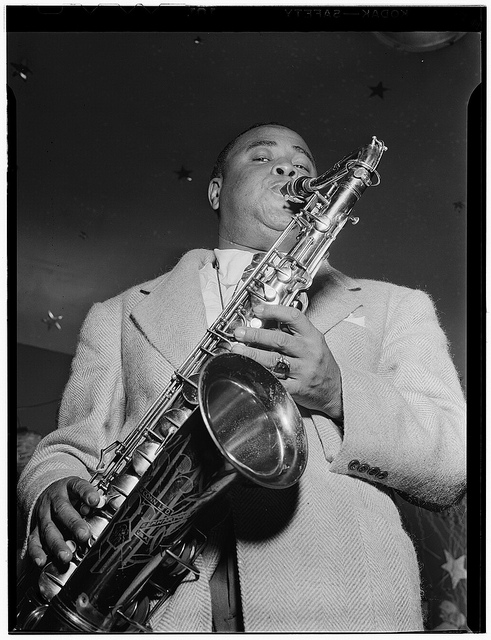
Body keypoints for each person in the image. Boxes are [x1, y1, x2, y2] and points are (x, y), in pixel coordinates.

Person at [17, 123, 466, 632]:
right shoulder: (117, 314)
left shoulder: (396, 307)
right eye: (261, 157)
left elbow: (453, 460)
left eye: (303, 161)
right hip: (138, 604)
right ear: (215, 190)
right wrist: (51, 486)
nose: (289, 166)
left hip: (340, 605)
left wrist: (340, 393)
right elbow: (69, 447)